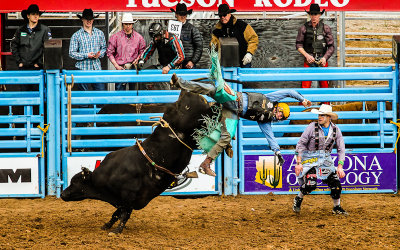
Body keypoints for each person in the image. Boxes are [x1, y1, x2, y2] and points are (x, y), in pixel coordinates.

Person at [170, 49, 312, 176]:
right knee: (213, 89)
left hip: (232, 112)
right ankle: (179, 82)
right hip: (233, 97)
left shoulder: (265, 121)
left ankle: (206, 163)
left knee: (226, 137)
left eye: (281, 118)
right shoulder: (271, 99)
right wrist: (302, 99)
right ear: (278, 107)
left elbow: (271, 138)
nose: (279, 117)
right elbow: (288, 91)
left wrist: (278, 152)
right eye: (281, 113)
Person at [293, 104, 347, 215]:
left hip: (326, 161)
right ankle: (298, 198)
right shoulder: (311, 127)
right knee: (310, 185)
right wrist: (299, 162)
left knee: (336, 185)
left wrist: (340, 166)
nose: (319, 117)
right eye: (319, 115)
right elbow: (301, 144)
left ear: (329, 117)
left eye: (322, 115)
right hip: (309, 159)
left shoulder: (336, 130)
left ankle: (336, 207)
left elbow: (341, 149)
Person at [11, 4, 52, 91]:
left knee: (38, 95)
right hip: (23, 68)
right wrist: (19, 62)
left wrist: (39, 63)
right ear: (28, 16)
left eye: (37, 14)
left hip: (37, 69)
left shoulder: (45, 30)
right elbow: (13, 45)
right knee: (24, 94)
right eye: (33, 14)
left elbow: (48, 49)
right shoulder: (20, 30)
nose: (36, 16)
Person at [296, 4, 335, 89]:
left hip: (322, 59)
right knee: (305, 86)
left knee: (324, 85)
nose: (314, 17)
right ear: (310, 15)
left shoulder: (326, 28)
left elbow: (331, 46)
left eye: (316, 14)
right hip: (308, 60)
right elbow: (298, 44)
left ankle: (325, 102)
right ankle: (304, 102)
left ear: (320, 15)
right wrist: (306, 55)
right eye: (312, 14)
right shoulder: (303, 28)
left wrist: (325, 58)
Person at [69, 8, 107, 91]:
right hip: (82, 68)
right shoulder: (76, 35)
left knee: (100, 94)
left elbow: (104, 48)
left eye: (90, 19)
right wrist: (86, 55)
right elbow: (71, 53)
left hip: (96, 68)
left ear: (93, 20)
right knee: (83, 96)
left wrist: (99, 54)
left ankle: (98, 104)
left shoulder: (99, 33)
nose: (89, 21)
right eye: (87, 19)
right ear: (82, 20)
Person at [211, 4, 258, 68]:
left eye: (224, 15)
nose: (222, 17)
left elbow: (253, 38)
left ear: (229, 14)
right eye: (220, 16)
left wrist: (249, 53)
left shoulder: (242, 26)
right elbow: (213, 46)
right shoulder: (217, 31)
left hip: (243, 62)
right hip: (224, 65)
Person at [107, 13, 146, 90]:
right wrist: (116, 66)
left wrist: (138, 60)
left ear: (132, 24)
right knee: (119, 93)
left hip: (133, 67)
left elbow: (143, 51)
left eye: (129, 24)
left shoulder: (139, 38)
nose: (128, 26)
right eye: (126, 24)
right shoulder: (116, 37)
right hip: (120, 67)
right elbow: (109, 52)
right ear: (122, 24)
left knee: (134, 92)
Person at [170, 3, 203, 69]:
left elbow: (199, 47)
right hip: (173, 63)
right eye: (180, 14)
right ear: (176, 15)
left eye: (184, 14)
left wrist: (192, 61)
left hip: (188, 63)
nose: (183, 16)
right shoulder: (170, 28)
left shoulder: (192, 29)